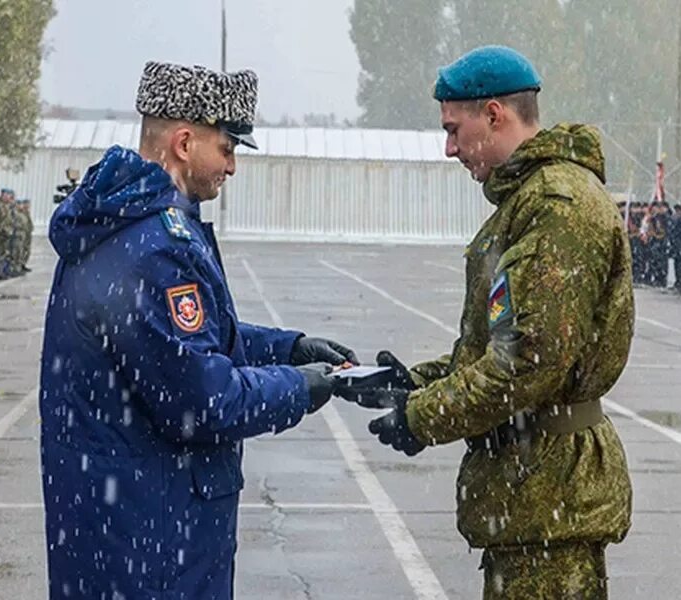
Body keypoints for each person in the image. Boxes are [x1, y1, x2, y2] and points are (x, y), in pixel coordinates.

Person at [39, 61, 358, 599]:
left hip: (118, 528)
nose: (231, 167)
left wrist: (288, 348)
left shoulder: (121, 222)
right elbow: (203, 401)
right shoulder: (156, 247)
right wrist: (301, 387)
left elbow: (183, 342)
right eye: (227, 148)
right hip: (155, 542)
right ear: (184, 143)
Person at [341, 46, 633, 599]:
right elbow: (502, 345)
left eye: (454, 129)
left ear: (495, 114)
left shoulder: (557, 205)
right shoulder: (527, 201)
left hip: (550, 496)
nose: (449, 148)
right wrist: (418, 383)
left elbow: (529, 363)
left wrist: (423, 417)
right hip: (532, 494)